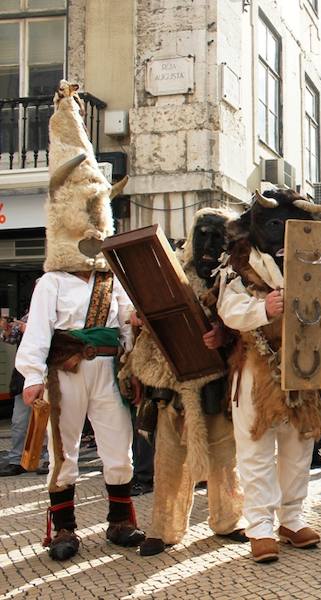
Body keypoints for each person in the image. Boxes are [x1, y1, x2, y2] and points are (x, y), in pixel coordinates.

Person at [16, 80, 141, 561]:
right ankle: (63, 529)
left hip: (109, 371)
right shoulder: (51, 282)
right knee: (63, 450)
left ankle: (120, 521)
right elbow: (39, 332)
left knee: (117, 445)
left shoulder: (114, 277)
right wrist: (31, 377)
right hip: (65, 370)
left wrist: (137, 339)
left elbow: (126, 323)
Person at [218, 188, 321, 563]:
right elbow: (228, 307)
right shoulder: (241, 260)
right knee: (256, 448)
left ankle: (291, 519)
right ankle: (259, 526)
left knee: (299, 444)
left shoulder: (317, 257)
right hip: (256, 365)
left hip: (304, 360)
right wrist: (263, 309)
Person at [122, 208, 247, 557]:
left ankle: (229, 521)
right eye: (202, 235)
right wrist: (141, 321)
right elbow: (150, 323)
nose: (208, 245)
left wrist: (225, 335)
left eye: (216, 237)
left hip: (219, 384)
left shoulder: (236, 280)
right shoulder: (171, 276)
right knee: (169, 460)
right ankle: (164, 529)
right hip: (174, 385)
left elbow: (249, 327)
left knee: (225, 459)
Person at [0, 312, 49, 477]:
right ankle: (16, 460)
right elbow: (10, 338)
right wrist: (6, 329)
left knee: (52, 420)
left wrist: (27, 329)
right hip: (25, 375)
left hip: (51, 371)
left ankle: (52, 458)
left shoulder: (58, 311)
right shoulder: (29, 314)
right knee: (19, 421)